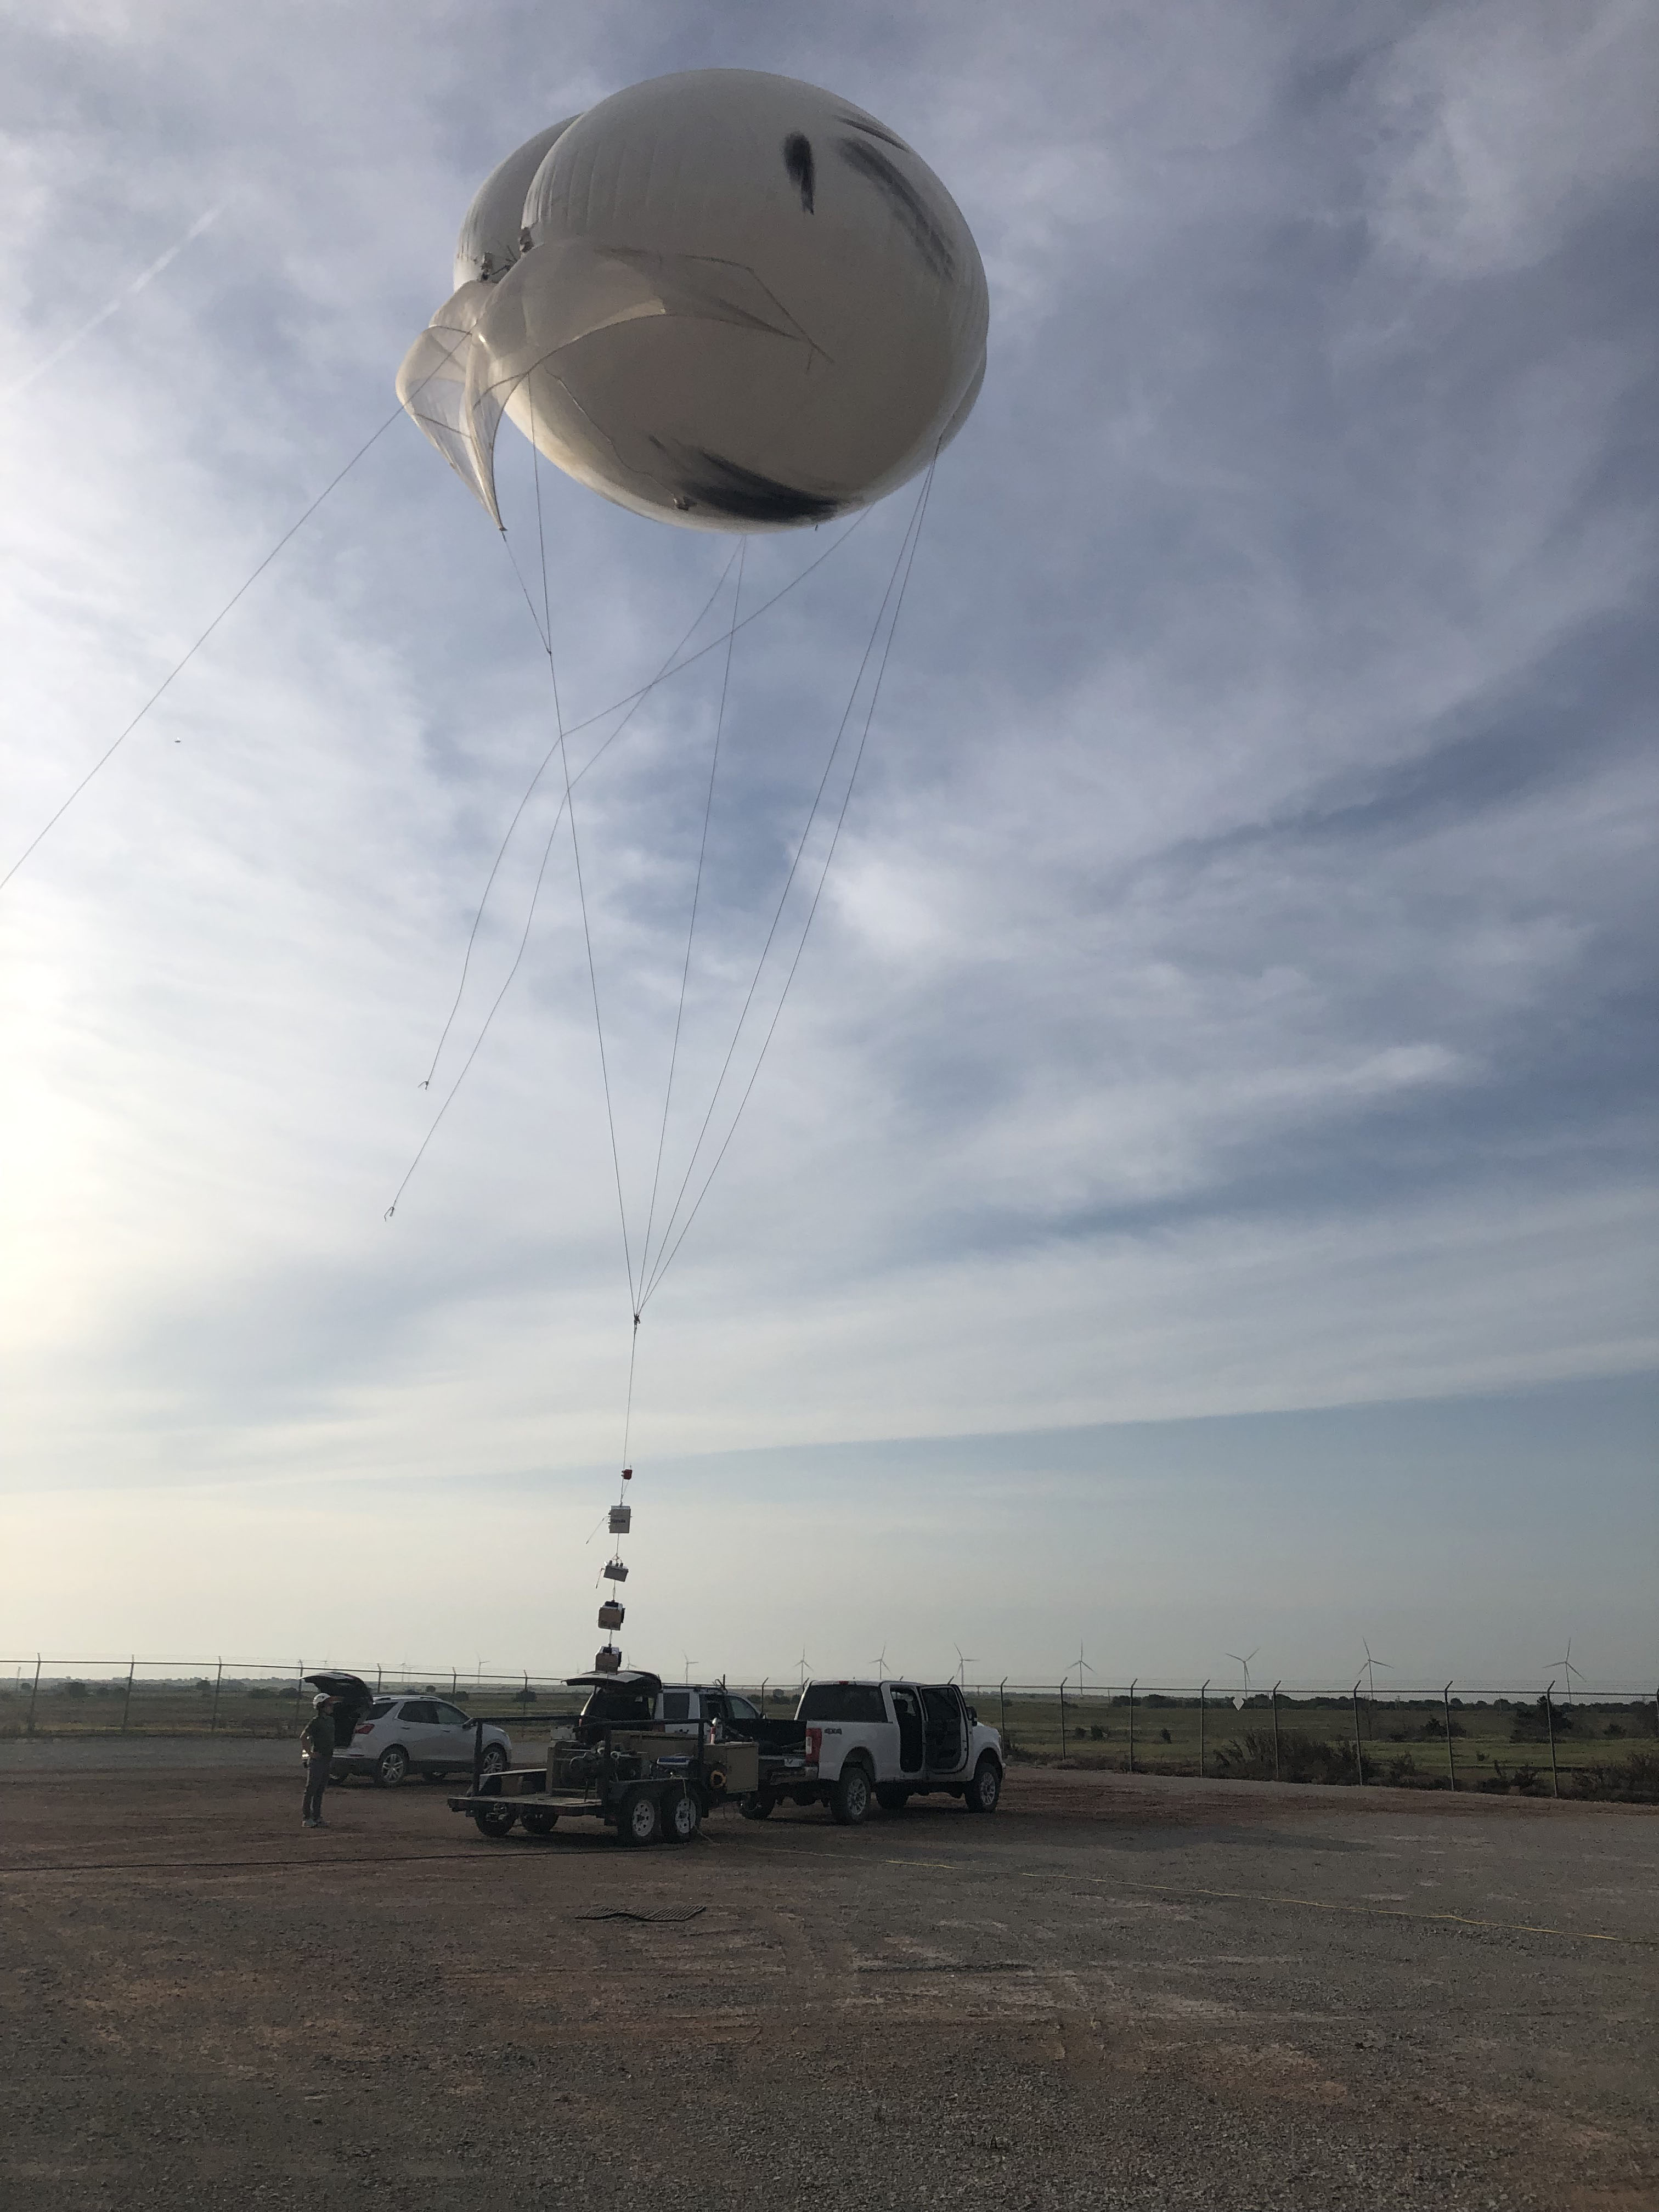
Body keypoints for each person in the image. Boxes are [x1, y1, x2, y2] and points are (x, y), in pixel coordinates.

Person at [300, 1694, 336, 1829]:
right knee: (311, 1789)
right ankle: (307, 1818)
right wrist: (309, 1754)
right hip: (318, 1760)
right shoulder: (316, 1721)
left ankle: (317, 1817)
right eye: (329, 1705)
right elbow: (304, 1737)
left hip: (327, 1759)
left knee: (320, 1790)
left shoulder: (330, 1721)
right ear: (321, 1707)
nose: (331, 1707)